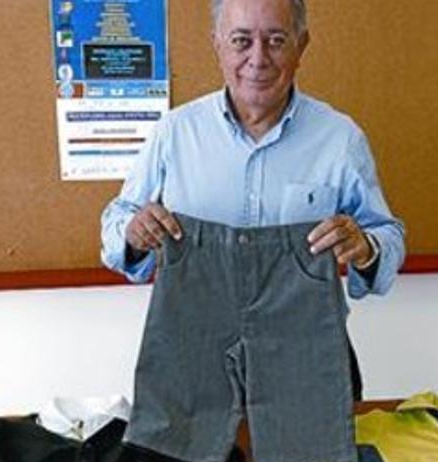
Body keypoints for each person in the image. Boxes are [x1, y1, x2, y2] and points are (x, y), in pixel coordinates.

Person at [100, 0, 404, 301]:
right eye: (241, 41)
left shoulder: (340, 138)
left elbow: (387, 234)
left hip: (302, 337)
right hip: (193, 334)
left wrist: (366, 247)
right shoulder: (174, 133)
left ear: (301, 46)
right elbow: (119, 217)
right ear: (217, 45)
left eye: (276, 41)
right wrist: (132, 231)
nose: (258, 59)